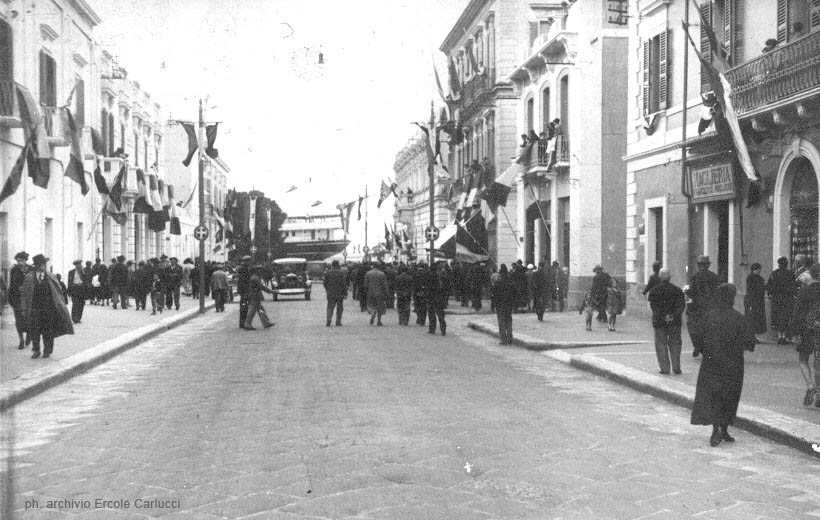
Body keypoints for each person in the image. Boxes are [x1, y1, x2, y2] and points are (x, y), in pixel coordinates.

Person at [691, 283, 756, 447]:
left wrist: (704, 350)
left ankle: (717, 428)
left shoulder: (708, 316)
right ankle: (723, 427)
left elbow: (696, 336)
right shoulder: (739, 318)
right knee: (730, 395)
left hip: (711, 362)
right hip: (733, 363)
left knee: (714, 394)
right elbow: (750, 342)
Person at [20, 254, 74, 359]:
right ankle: (36, 350)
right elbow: (24, 294)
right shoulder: (29, 277)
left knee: (48, 330)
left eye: (44, 264)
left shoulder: (51, 276)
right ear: (36, 265)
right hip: (34, 308)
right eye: (41, 264)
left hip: (48, 309)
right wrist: (23, 308)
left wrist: (61, 305)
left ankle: (47, 351)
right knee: (34, 330)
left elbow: (58, 292)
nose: (43, 266)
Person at [790, 264, 820, 407]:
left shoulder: (804, 291)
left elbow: (797, 313)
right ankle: (819, 394)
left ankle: (810, 385)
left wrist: (795, 332)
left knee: (803, 359)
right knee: (818, 361)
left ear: (811, 275)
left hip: (806, 330)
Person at [648, 268, 686, 375]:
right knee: (675, 343)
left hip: (660, 321)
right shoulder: (677, 290)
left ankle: (664, 368)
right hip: (674, 321)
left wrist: (663, 316)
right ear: (670, 277)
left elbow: (654, 307)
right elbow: (681, 306)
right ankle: (676, 367)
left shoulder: (654, 290)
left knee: (661, 344)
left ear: (659, 277)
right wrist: (673, 315)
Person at [686, 255, 720, 357]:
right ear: (708, 265)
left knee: (693, 327)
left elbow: (692, 292)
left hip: (697, 307)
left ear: (699, 265)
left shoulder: (695, 276)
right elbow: (718, 292)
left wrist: (687, 291)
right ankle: (707, 348)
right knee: (709, 329)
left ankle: (697, 345)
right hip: (711, 307)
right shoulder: (714, 276)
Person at [766, 256, 797, 345]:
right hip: (787, 299)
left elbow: (768, 286)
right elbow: (794, 286)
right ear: (786, 264)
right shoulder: (790, 274)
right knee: (786, 317)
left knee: (777, 317)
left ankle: (779, 336)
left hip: (776, 299)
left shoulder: (774, 273)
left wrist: (770, 294)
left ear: (778, 264)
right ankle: (784, 337)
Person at [8, 252, 29, 349]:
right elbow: (11, 285)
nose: (19, 262)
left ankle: (29, 335)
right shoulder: (14, 270)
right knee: (18, 320)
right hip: (17, 299)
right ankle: (21, 340)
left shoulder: (31, 269)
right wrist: (10, 299)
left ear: (25, 260)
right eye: (18, 261)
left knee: (29, 319)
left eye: (21, 260)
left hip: (28, 299)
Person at [493, 265, 515, 345]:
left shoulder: (498, 283)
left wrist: (494, 305)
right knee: (509, 321)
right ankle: (510, 338)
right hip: (509, 304)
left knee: (501, 322)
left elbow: (494, 295)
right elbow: (514, 294)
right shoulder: (510, 283)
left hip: (500, 305)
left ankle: (503, 339)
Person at [427, 262, 451, 336]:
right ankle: (443, 330)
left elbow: (428, 288)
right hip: (440, 298)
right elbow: (446, 288)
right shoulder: (443, 276)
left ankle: (432, 329)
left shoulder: (430, 277)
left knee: (432, 314)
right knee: (440, 314)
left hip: (432, 298)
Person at [743, 263, 767, 335]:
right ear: (754, 270)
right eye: (757, 269)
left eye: (759, 269)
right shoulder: (751, 278)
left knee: (756, 319)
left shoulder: (759, 278)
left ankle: (754, 335)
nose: (759, 271)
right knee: (752, 319)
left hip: (758, 301)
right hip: (752, 301)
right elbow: (752, 290)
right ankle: (751, 335)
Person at [324, 260, 348, 326]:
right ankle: (338, 321)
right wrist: (345, 293)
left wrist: (328, 289)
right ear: (338, 265)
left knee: (330, 306)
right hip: (340, 293)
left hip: (330, 293)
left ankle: (329, 319)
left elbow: (325, 283)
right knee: (340, 307)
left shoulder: (328, 273)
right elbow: (343, 284)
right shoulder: (341, 273)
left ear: (332, 265)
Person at [67, 259, 91, 323]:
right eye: (79, 264)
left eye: (80, 264)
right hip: (75, 288)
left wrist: (83, 273)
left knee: (81, 304)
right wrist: (69, 291)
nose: (80, 265)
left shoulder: (83, 272)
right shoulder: (71, 272)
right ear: (76, 265)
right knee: (75, 303)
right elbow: (69, 281)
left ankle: (79, 317)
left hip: (81, 289)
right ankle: (74, 318)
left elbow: (86, 280)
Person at [235, 256, 252, 328]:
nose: (249, 262)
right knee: (243, 307)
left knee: (245, 307)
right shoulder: (243, 269)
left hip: (247, 290)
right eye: (248, 261)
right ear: (245, 261)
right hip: (244, 290)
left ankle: (244, 322)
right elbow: (242, 281)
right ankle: (242, 322)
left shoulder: (248, 268)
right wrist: (244, 291)